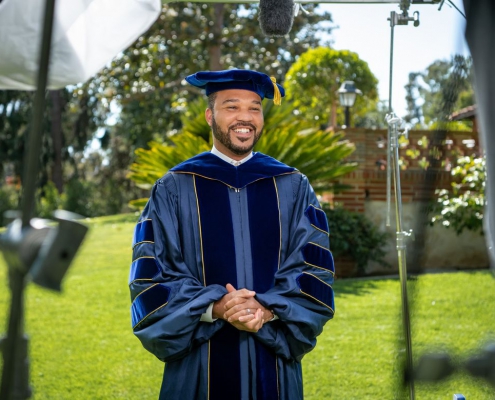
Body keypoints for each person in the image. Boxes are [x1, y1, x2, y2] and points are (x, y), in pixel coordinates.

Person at [129, 69, 335, 400]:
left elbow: (313, 268)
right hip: (198, 369)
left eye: (254, 107)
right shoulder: (173, 187)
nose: (245, 117)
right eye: (232, 106)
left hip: (274, 367)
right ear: (210, 115)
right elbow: (152, 276)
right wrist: (218, 307)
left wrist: (266, 310)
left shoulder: (293, 186)